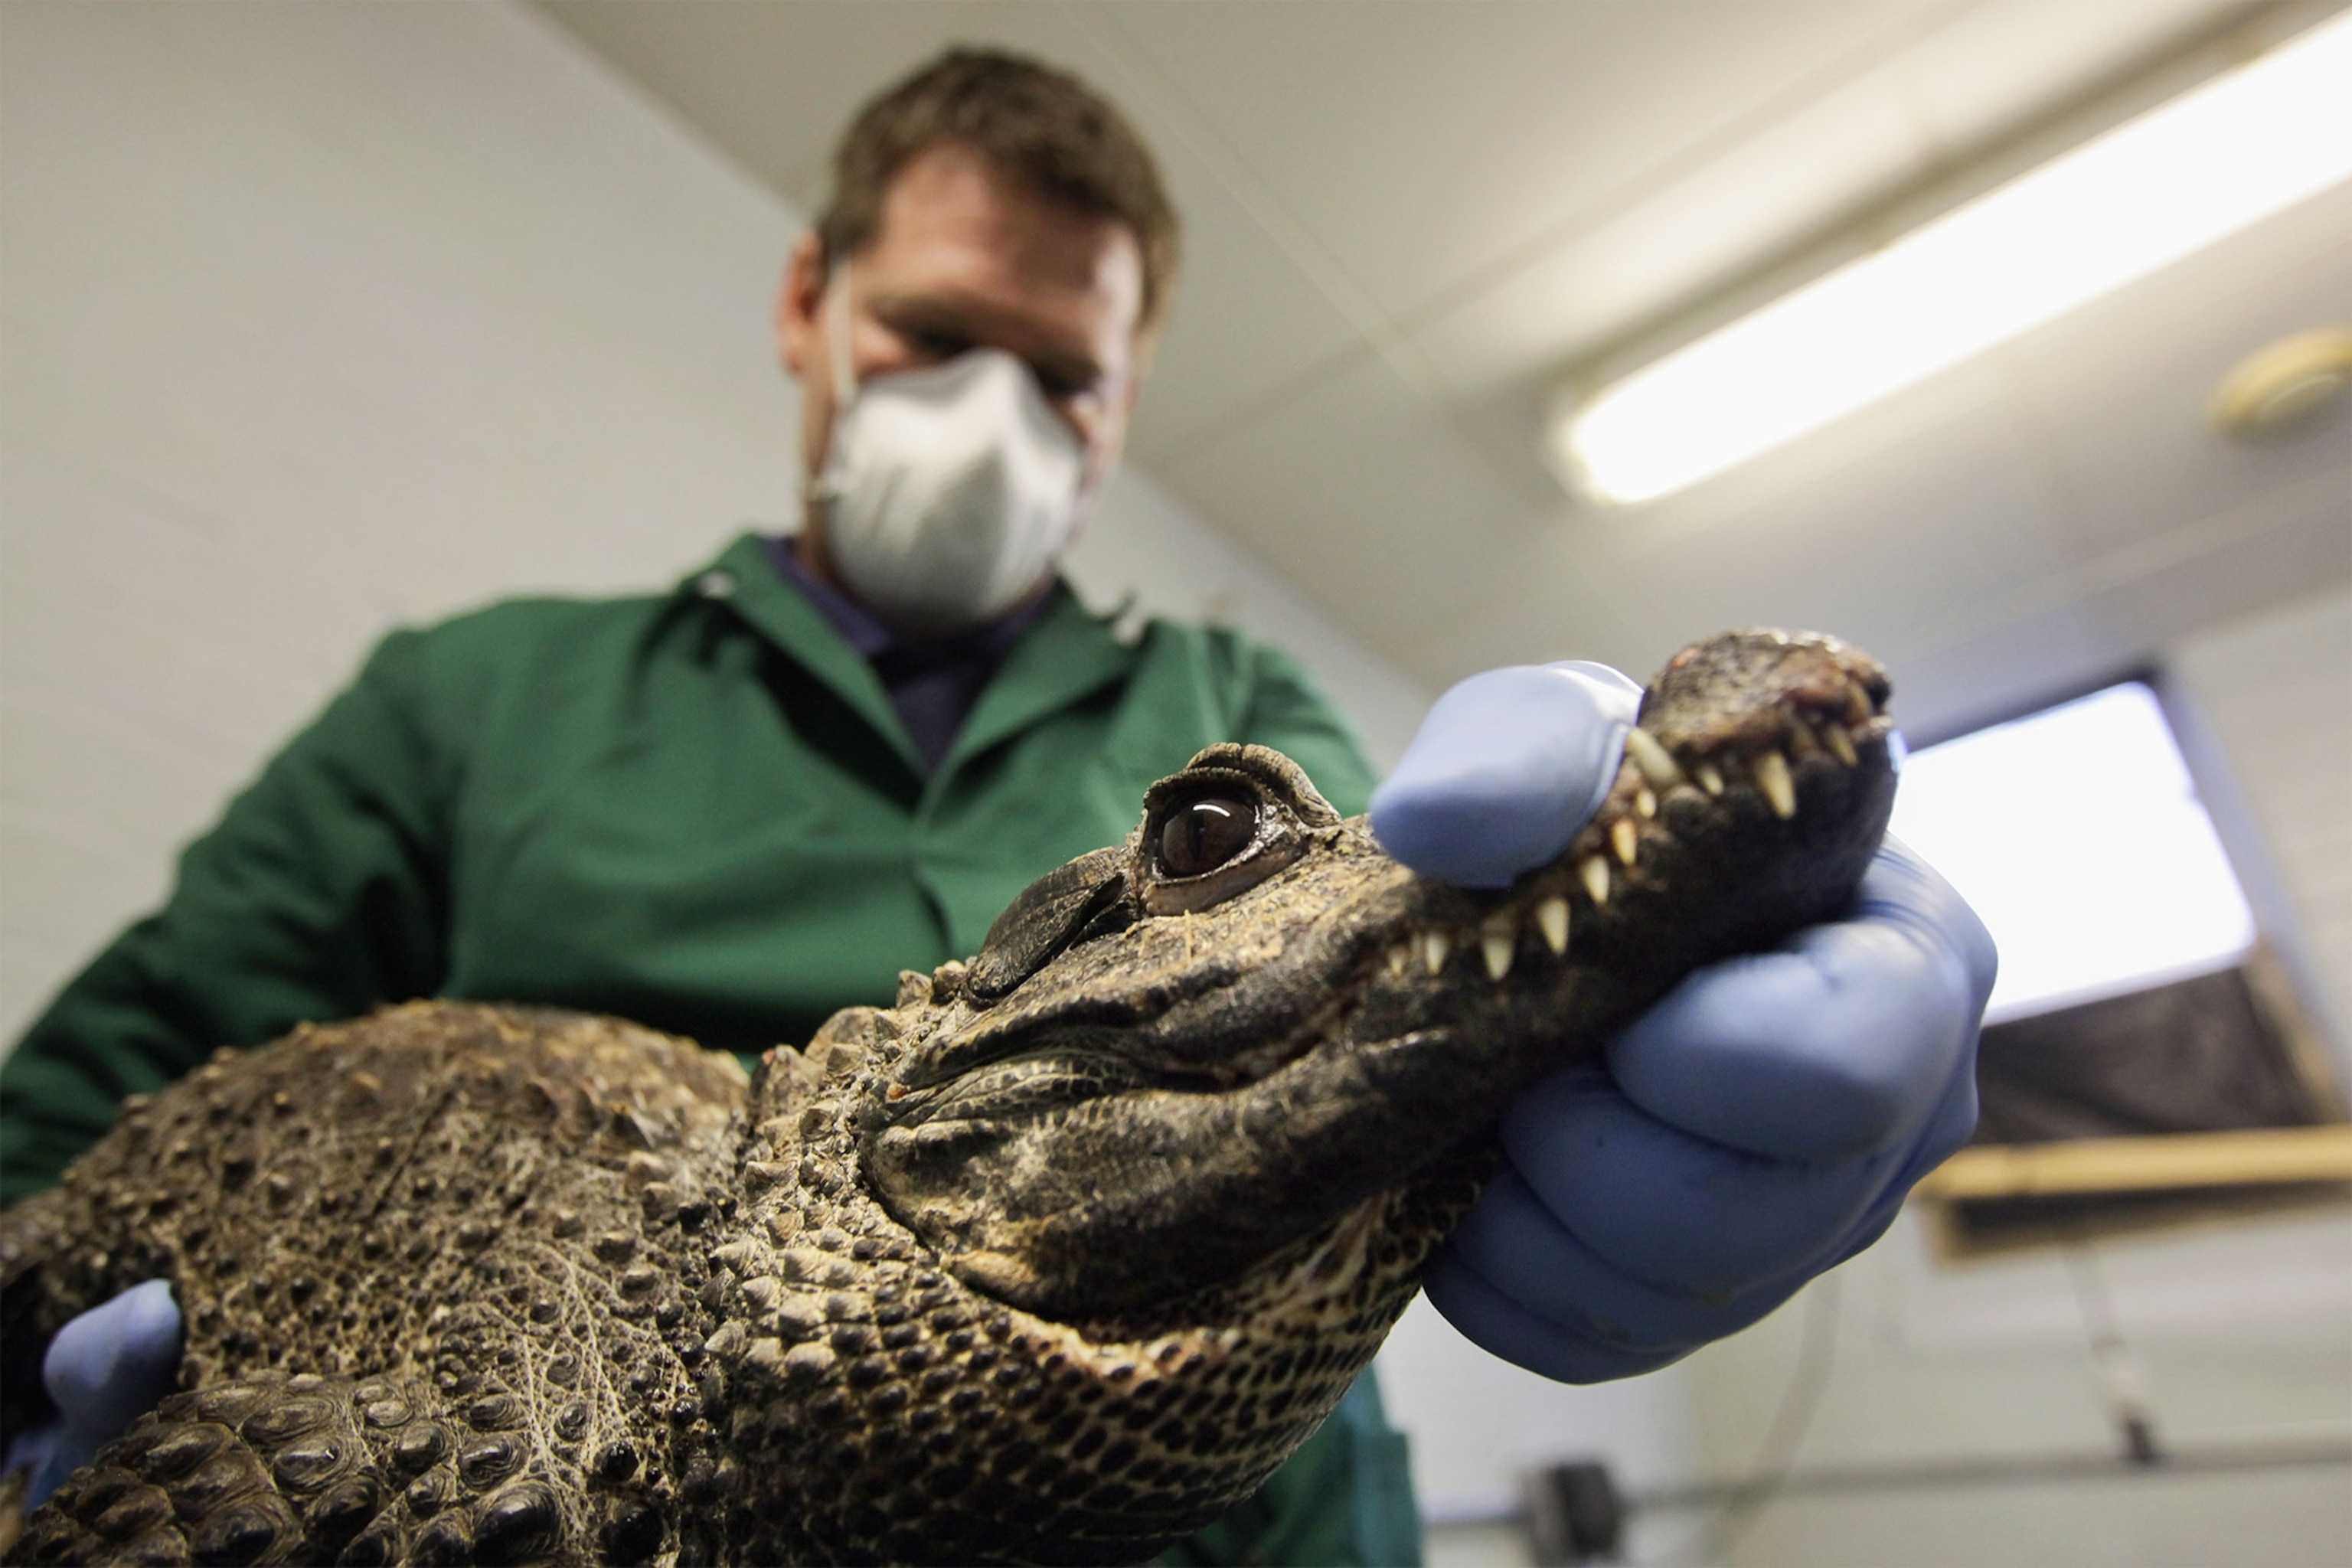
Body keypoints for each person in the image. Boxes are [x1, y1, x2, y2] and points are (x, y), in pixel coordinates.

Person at [0, 48, 1993, 1565]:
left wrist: (1738, 1010)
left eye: (1060, 375)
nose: (987, 412)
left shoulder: (1230, 697)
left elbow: (1435, 942)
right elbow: (66, 1114)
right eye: (934, 337)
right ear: (811, 301)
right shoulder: (473, 694)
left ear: (1124, 408)